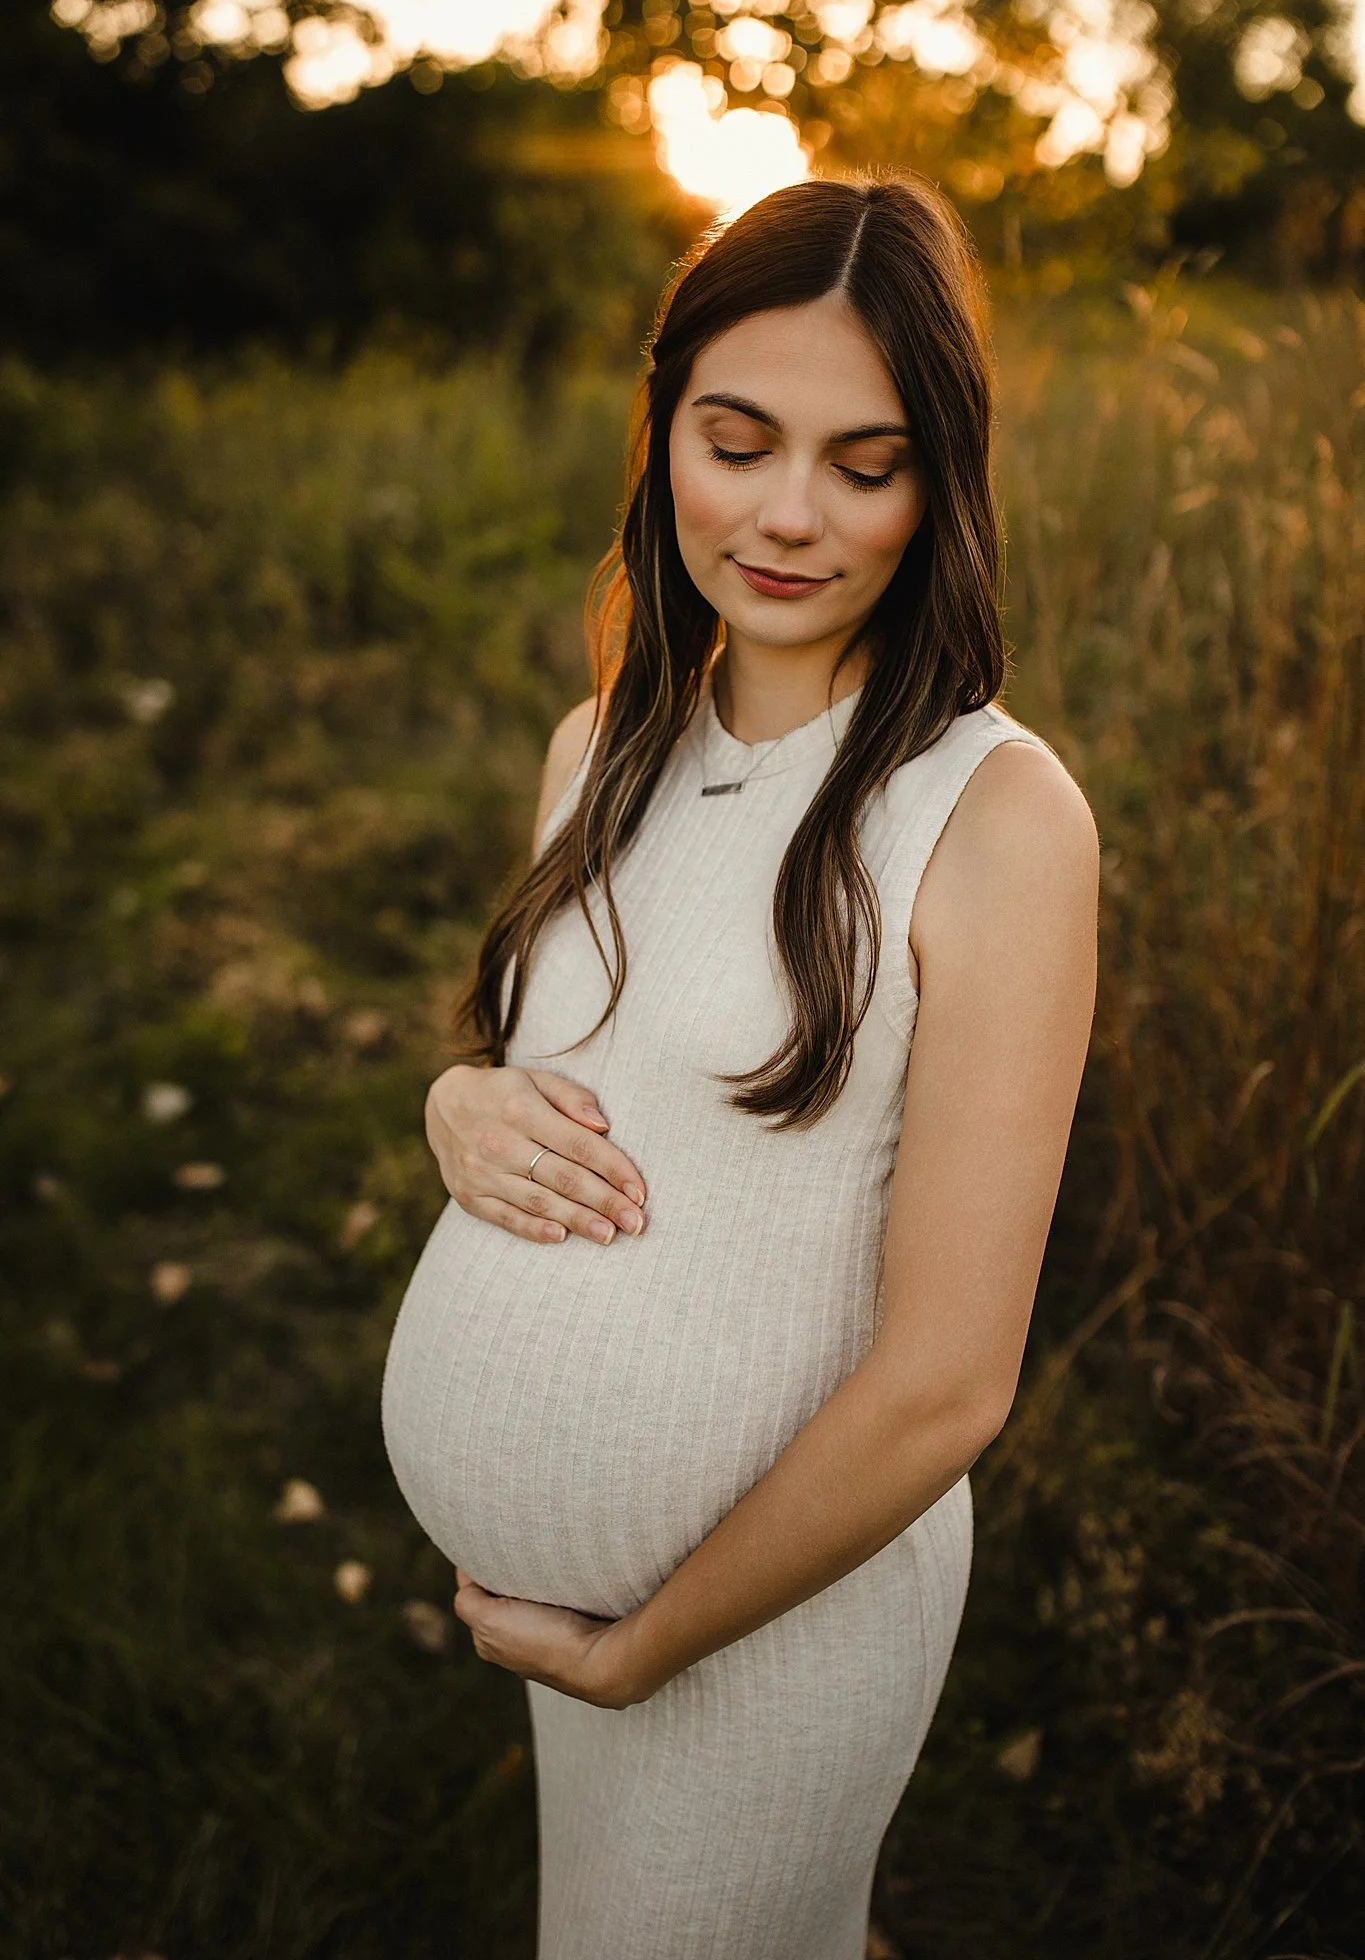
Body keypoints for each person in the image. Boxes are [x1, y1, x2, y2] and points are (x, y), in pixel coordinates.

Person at [381, 173, 1099, 1960]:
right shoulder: (604, 742)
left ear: (943, 486)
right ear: (662, 434)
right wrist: (452, 1099)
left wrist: (649, 1641)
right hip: (570, 1622)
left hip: (768, 1629)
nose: (791, 516)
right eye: (737, 440)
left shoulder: (991, 814)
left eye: (867, 464)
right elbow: (553, 1056)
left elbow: (951, 1382)